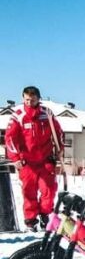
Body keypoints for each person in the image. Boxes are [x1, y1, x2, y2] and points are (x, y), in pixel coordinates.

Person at [5, 86, 62, 231]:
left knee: (48, 190)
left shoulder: (47, 114)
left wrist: (59, 150)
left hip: (45, 160)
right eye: (27, 99)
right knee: (29, 192)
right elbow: (9, 138)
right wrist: (16, 157)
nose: (29, 102)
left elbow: (58, 133)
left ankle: (45, 216)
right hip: (27, 162)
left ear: (38, 99)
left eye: (33, 99)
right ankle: (31, 221)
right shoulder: (18, 116)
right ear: (23, 99)